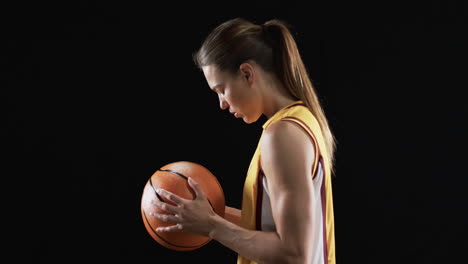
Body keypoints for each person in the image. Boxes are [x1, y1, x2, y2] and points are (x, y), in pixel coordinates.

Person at [150, 17, 337, 264]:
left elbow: (294, 254)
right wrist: (210, 214)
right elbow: (272, 230)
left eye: (221, 89)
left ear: (247, 73)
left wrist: (212, 226)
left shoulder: (283, 134)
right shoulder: (300, 121)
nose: (222, 103)